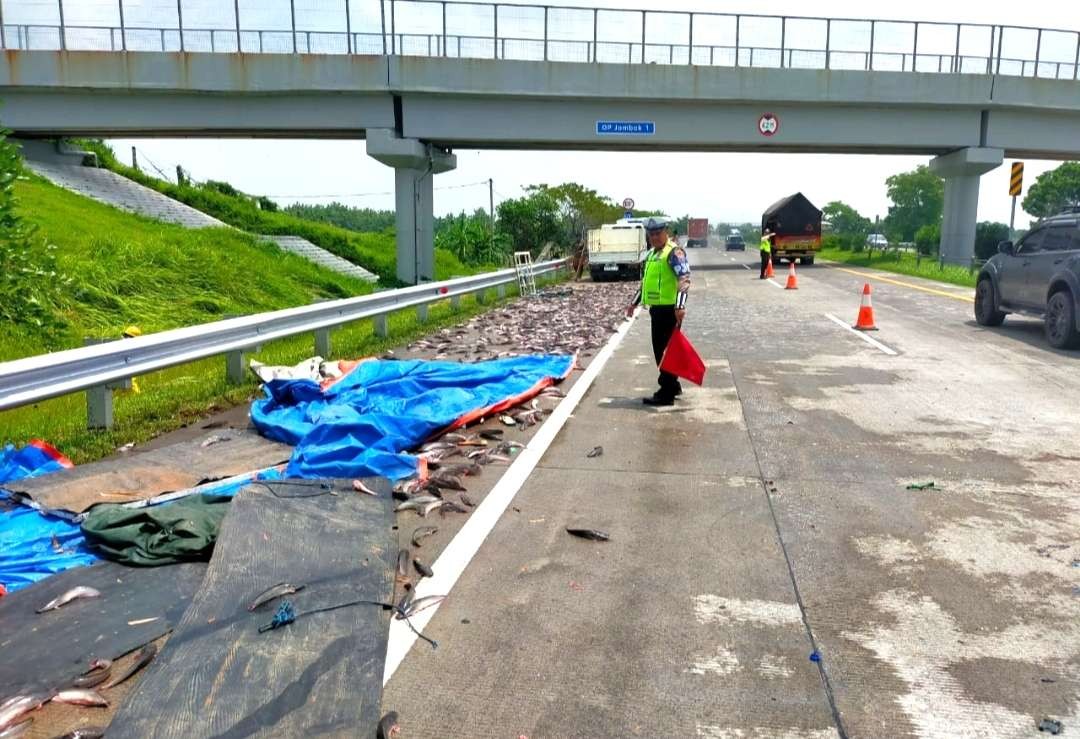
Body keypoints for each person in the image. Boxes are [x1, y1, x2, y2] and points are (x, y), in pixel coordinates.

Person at [625, 218, 691, 406]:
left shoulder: (674, 252)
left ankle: (666, 392)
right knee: (664, 350)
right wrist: (633, 303)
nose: (654, 237)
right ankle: (673, 385)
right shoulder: (654, 254)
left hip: (669, 311)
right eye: (651, 234)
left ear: (666, 232)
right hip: (657, 310)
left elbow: (684, 278)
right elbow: (646, 283)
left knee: (663, 352)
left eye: (657, 233)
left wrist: (680, 306)